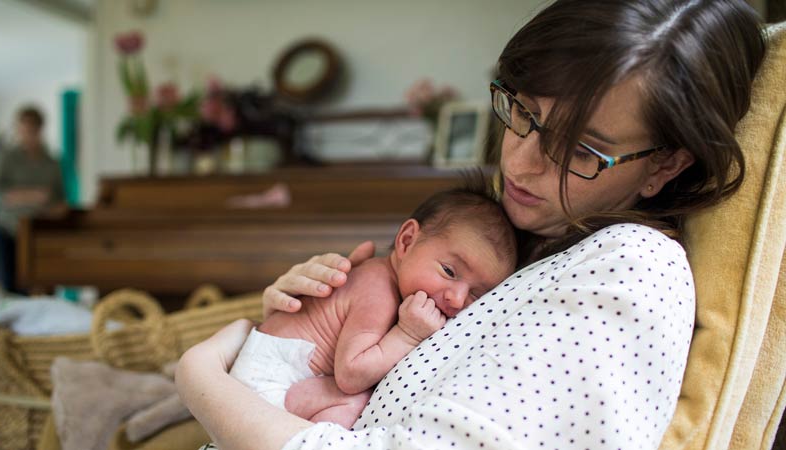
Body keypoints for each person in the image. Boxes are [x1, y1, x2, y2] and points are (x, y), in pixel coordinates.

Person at [175, 1, 767, 449]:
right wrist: (304, 318)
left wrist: (203, 378)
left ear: (665, 165)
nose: (522, 163)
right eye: (526, 114)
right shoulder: (531, 236)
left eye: (582, 150)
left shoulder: (630, 271)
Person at [224, 180, 516, 433]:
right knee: (353, 399)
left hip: (267, 377)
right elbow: (351, 374)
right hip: (265, 384)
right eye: (449, 272)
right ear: (407, 241)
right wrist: (407, 335)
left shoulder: (387, 280)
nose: (456, 298)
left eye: (476, 295)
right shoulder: (378, 288)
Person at [0, 106, 65, 293]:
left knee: (35, 284)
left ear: (39, 130)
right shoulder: (7, 158)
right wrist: (29, 195)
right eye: (22, 130)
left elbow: (58, 199)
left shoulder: (51, 163)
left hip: (38, 232)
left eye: (31, 130)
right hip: (8, 229)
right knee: (8, 283)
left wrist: (56, 208)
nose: (26, 135)